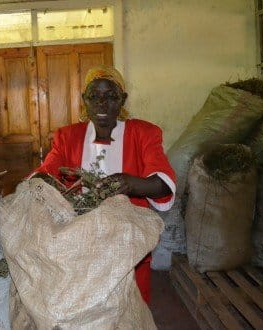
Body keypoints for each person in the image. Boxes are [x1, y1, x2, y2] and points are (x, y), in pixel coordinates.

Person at [31, 65, 176, 304]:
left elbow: (163, 184)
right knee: (86, 305)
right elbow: (45, 173)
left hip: (129, 245)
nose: (102, 104)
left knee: (130, 308)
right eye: (94, 97)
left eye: (111, 96)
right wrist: (40, 185)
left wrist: (130, 184)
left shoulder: (143, 133)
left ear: (123, 100)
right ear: (84, 100)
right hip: (80, 243)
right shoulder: (68, 137)